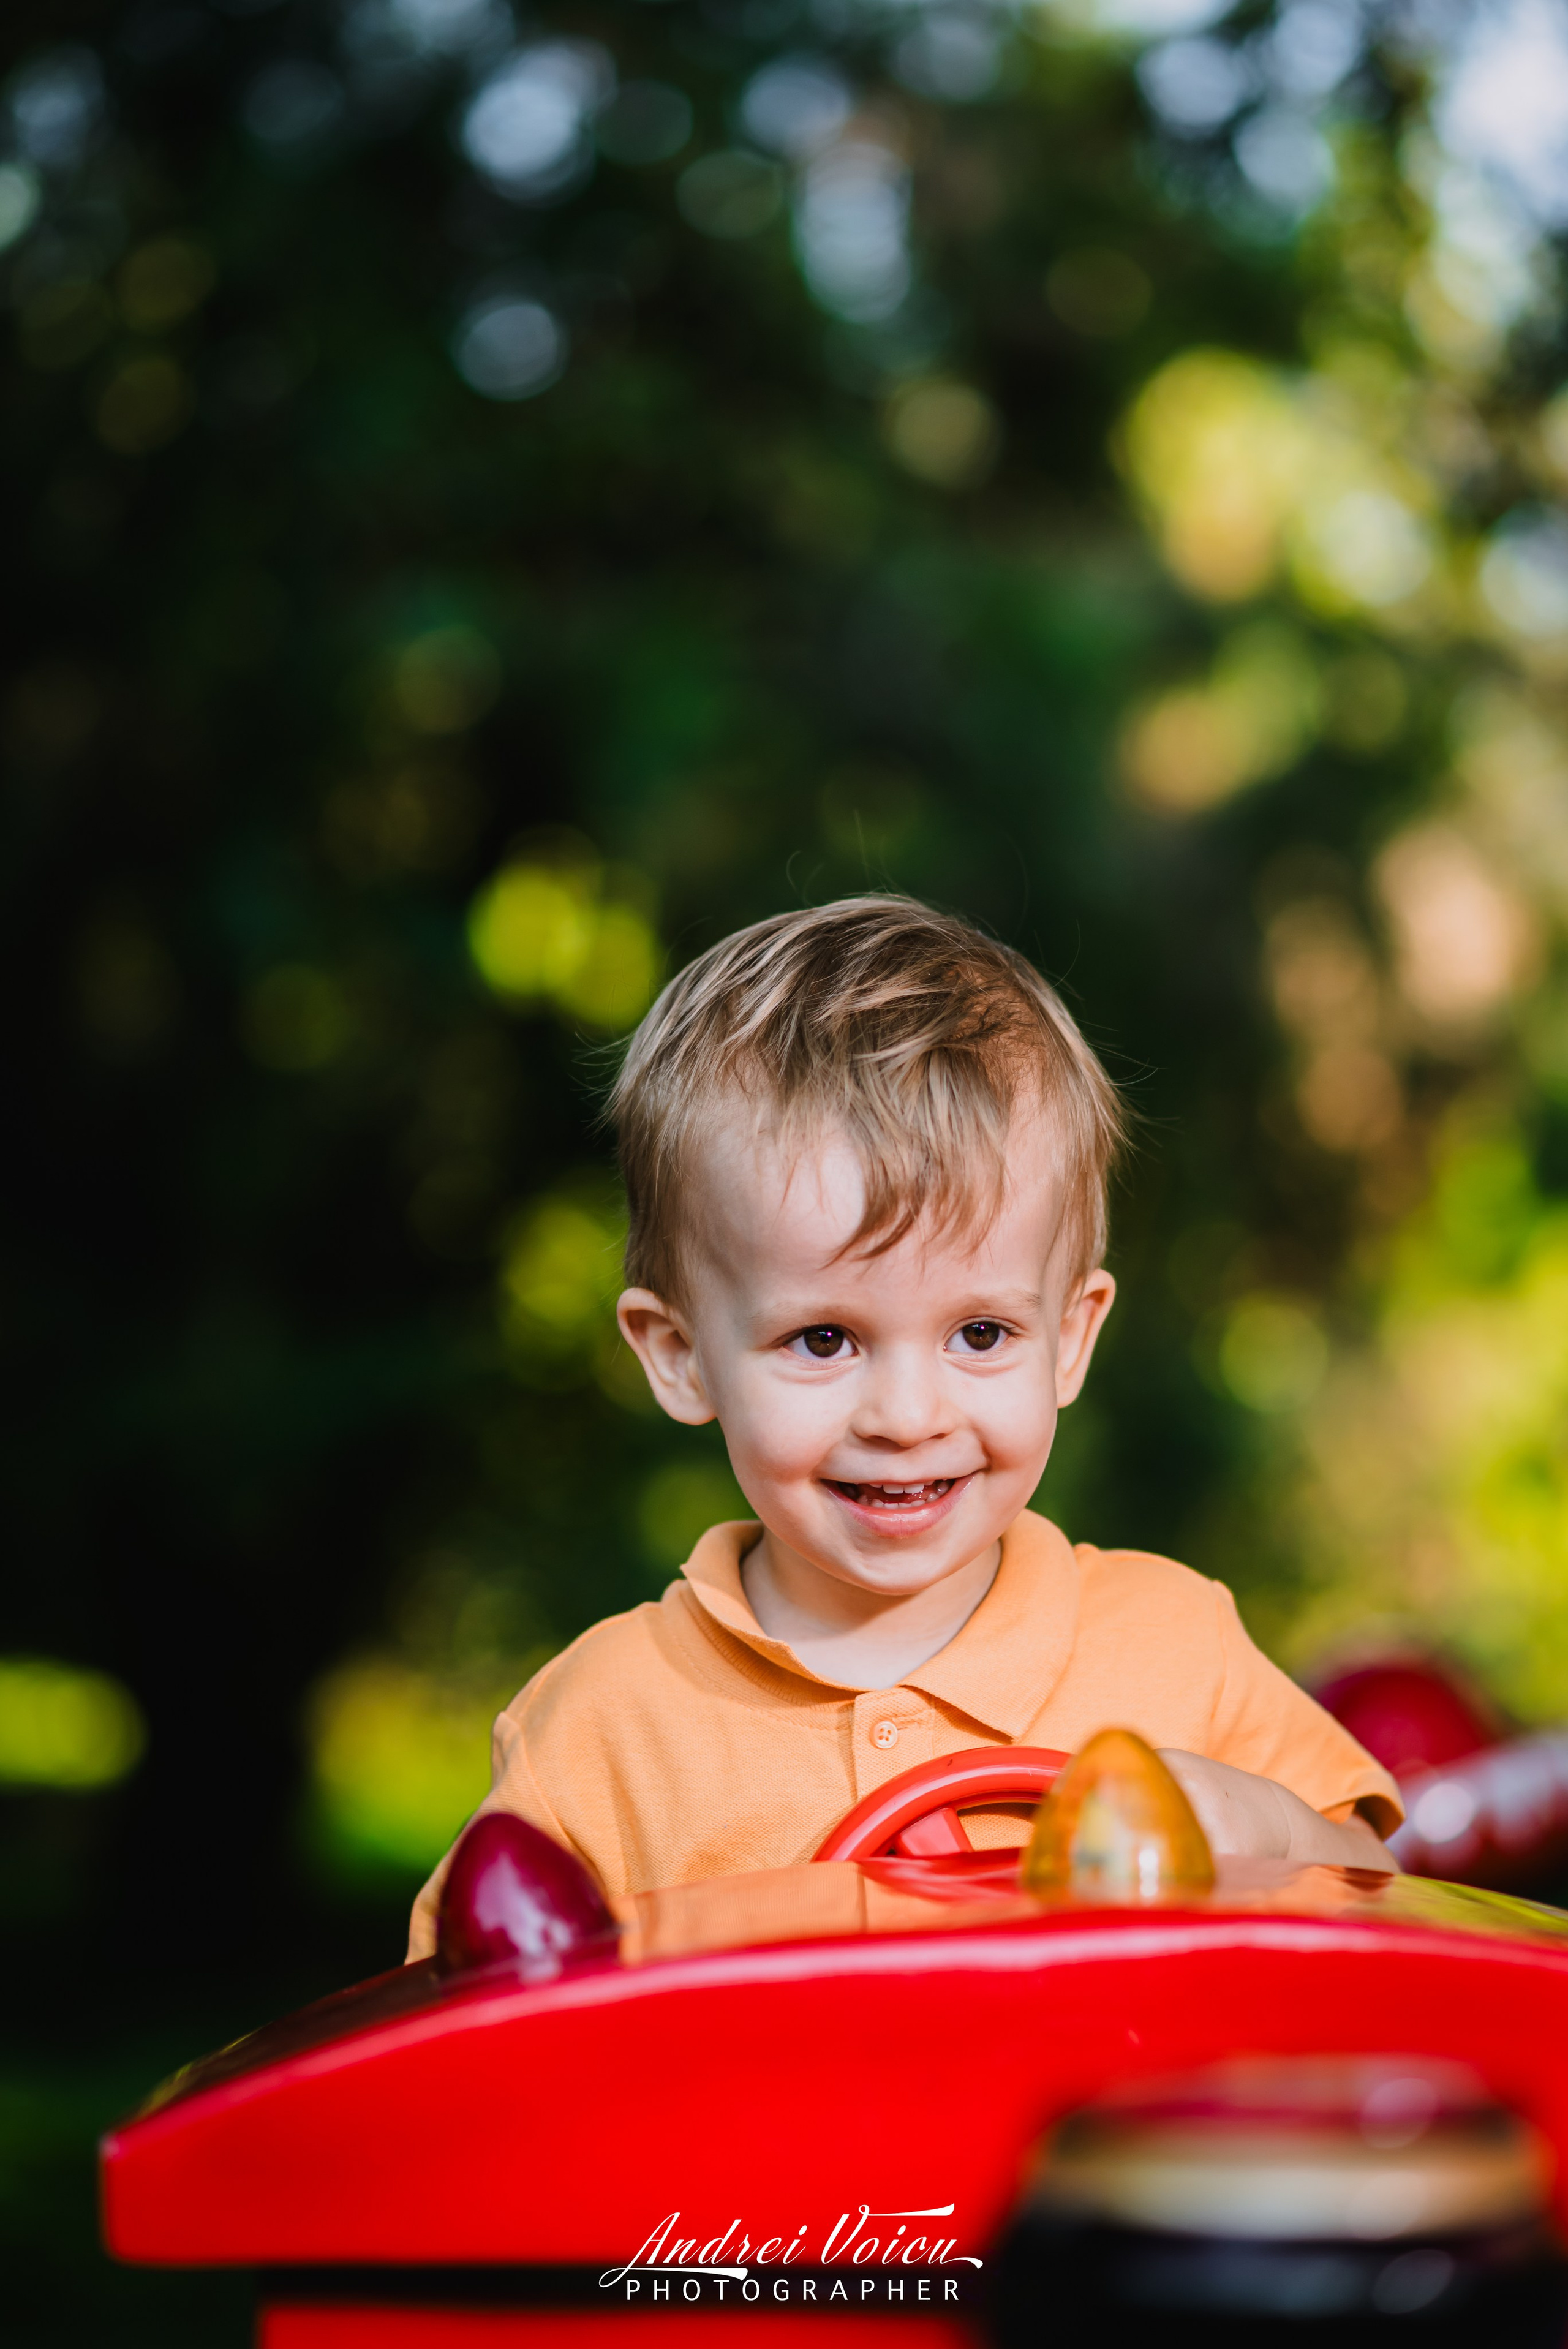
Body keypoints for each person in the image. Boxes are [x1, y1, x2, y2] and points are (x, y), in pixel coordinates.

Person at [407, 897, 1399, 1955]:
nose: (908, 1417)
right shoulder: (604, 1732)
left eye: (979, 1333)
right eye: (825, 1340)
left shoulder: (1176, 1646)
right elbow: (473, 2031)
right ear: (679, 1354)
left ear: (1071, 1337)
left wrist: (1265, 1827)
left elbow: (1392, 1900)